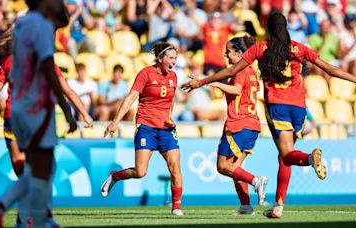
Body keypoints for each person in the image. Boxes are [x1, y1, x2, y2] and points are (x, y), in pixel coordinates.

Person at [181, 12, 356, 218]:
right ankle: (279, 206)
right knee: (284, 157)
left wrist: (201, 82)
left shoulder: (261, 48)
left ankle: (310, 158)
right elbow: (329, 68)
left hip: (278, 108)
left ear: (268, 28)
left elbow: (230, 72)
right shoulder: (299, 48)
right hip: (299, 109)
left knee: (287, 155)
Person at [0, 0, 77, 227]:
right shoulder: (42, 26)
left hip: (18, 107)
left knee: (41, 167)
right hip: (37, 106)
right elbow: (47, 67)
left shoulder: (23, 24)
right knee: (41, 169)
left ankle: (28, 220)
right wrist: (66, 109)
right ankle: (1, 208)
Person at [101, 42, 184, 216]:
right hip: (146, 126)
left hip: (166, 128)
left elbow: (170, 101)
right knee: (140, 172)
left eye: (175, 58)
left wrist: (169, 116)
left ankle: (176, 207)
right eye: (171, 58)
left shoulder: (174, 77)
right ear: (160, 58)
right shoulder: (145, 73)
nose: (174, 61)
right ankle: (115, 176)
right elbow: (131, 97)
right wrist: (115, 122)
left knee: (175, 167)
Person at [209, 36, 268, 215]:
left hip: (238, 124)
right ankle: (245, 205)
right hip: (252, 124)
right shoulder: (251, 70)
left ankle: (256, 181)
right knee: (236, 168)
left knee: (222, 166)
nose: (226, 55)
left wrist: (216, 82)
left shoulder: (240, 71)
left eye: (228, 52)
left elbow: (236, 90)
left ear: (239, 53)